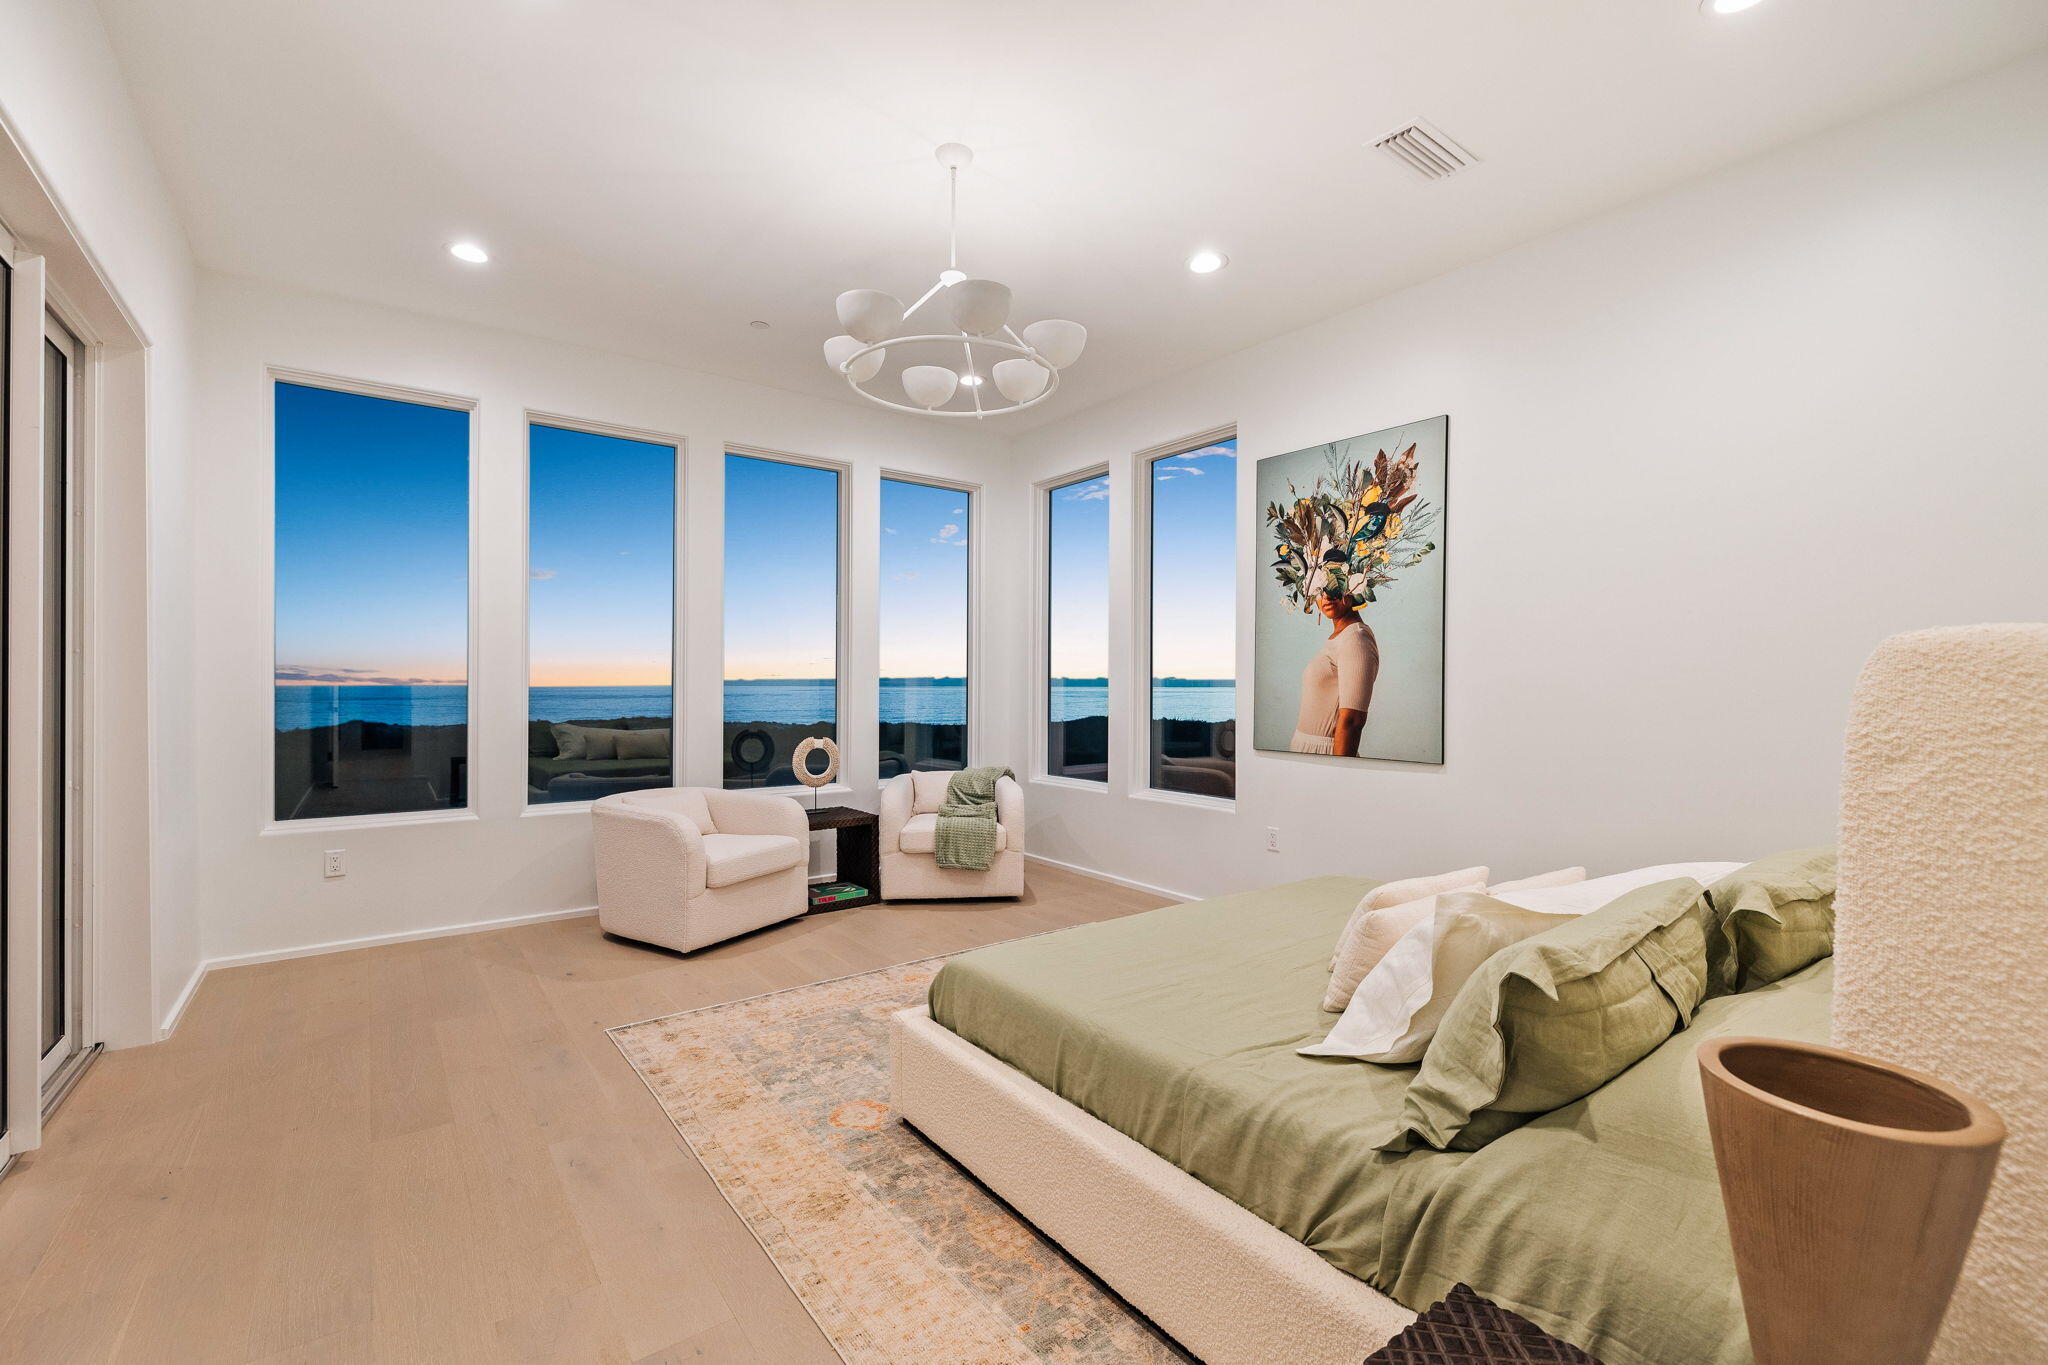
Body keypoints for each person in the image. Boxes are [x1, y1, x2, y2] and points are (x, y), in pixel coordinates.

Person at [1289, 553, 1379, 756]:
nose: (1327, 597)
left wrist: (1339, 772)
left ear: (1355, 587)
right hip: (1305, 748)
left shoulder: (1356, 638)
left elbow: (1352, 721)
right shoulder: (1340, 636)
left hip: (1327, 754)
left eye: (1334, 586)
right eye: (1320, 589)